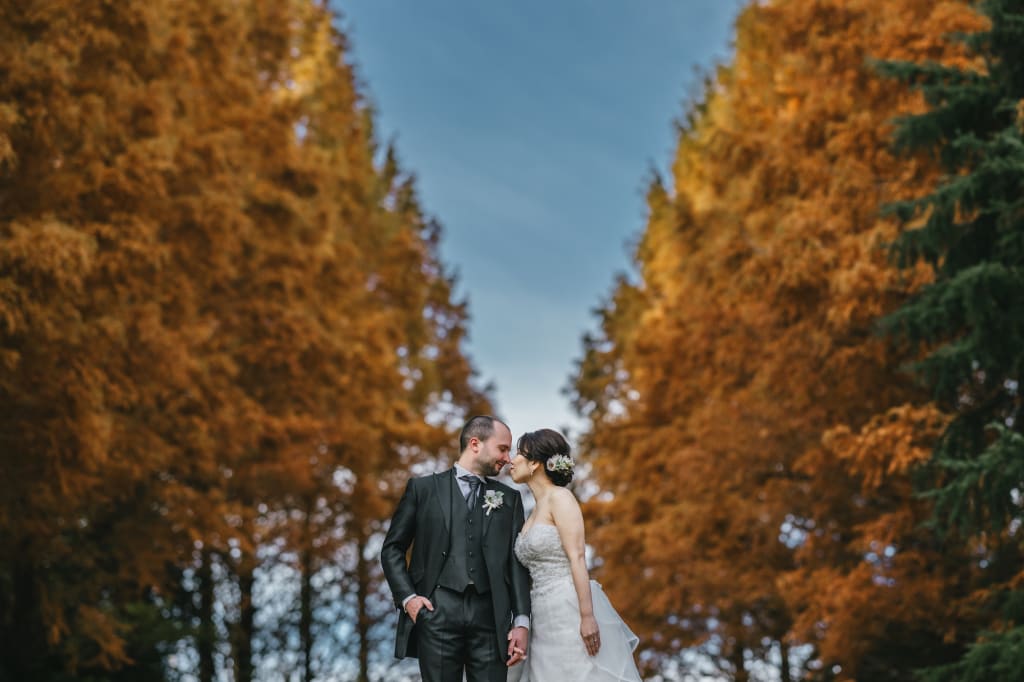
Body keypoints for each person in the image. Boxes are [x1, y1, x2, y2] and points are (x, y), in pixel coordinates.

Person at [381, 415, 532, 682]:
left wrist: (521, 621)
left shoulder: (509, 500)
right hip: (436, 614)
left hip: (491, 619)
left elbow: (516, 563)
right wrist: (409, 600)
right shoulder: (423, 489)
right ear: (475, 444)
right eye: (503, 448)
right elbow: (392, 548)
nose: (508, 458)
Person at [509, 428, 642, 681]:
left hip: (568, 608)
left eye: (518, 454)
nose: (512, 461)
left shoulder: (561, 498)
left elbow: (577, 557)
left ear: (535, 463)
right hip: (541, 614)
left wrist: (587, 616)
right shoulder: (532, 512)